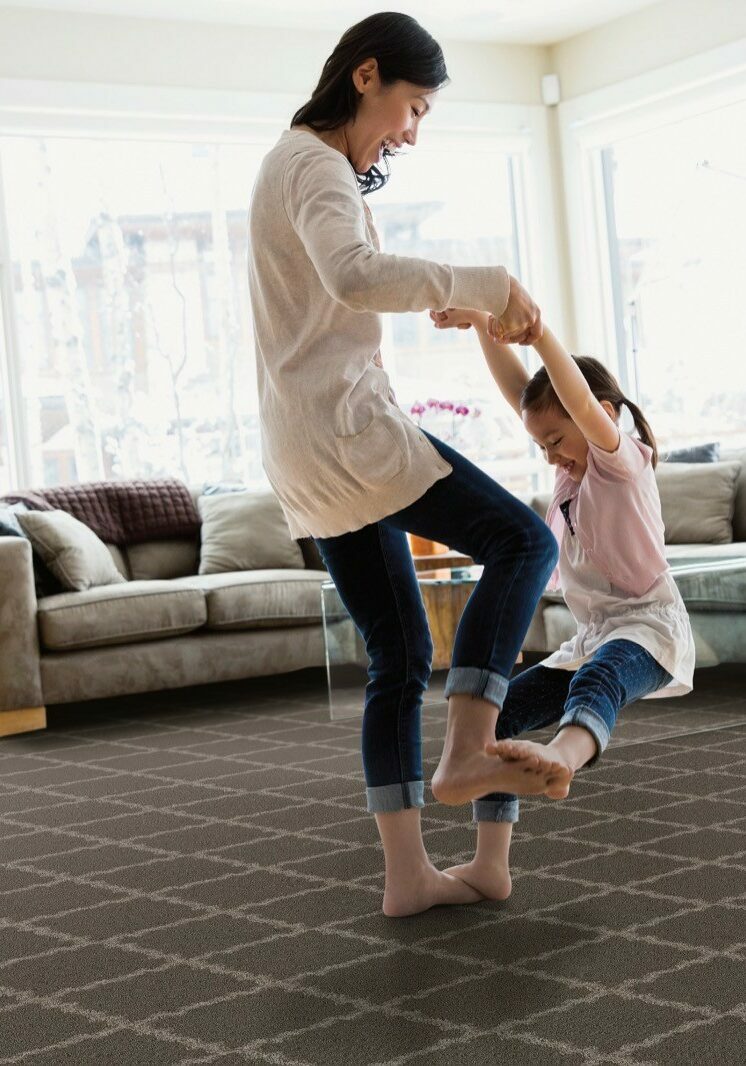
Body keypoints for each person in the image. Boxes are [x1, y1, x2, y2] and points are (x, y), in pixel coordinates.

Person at [247, 12, 559, 918]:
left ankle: (406, 876)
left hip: (304, 449)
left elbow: (341, 287)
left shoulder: (292, 162)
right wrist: (484, 285)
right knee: (525, 541)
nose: (412, 132)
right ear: (366, 75)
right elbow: (352, 275)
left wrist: (437, 304)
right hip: (348, 437)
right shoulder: (316, 165)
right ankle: (469, 745)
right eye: (412, 107)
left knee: (398, 654)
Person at [429, 307, 696, 901]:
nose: (551, 456)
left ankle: (563, 758)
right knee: (492, 725)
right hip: (593, 635)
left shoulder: (618, 460)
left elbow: (568, 395)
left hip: (649, 628)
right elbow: (523, 394)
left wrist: (543, 336)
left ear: (599, 416)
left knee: (599, 679)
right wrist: (480, 327)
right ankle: (489, 866)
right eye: (542, 446)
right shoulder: (570, 477)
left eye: (556, 441)